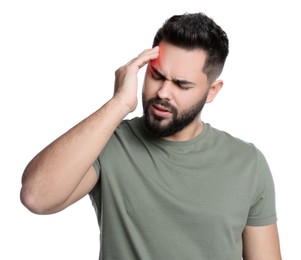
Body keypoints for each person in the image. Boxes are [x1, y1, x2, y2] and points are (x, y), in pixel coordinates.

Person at [20, 12, 282, 259]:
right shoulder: (110, 143)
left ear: (212, 91)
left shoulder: (248, 163)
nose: (164, 92)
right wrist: (119, 104)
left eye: (181, 84)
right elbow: (36, 196)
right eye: (156, 75)